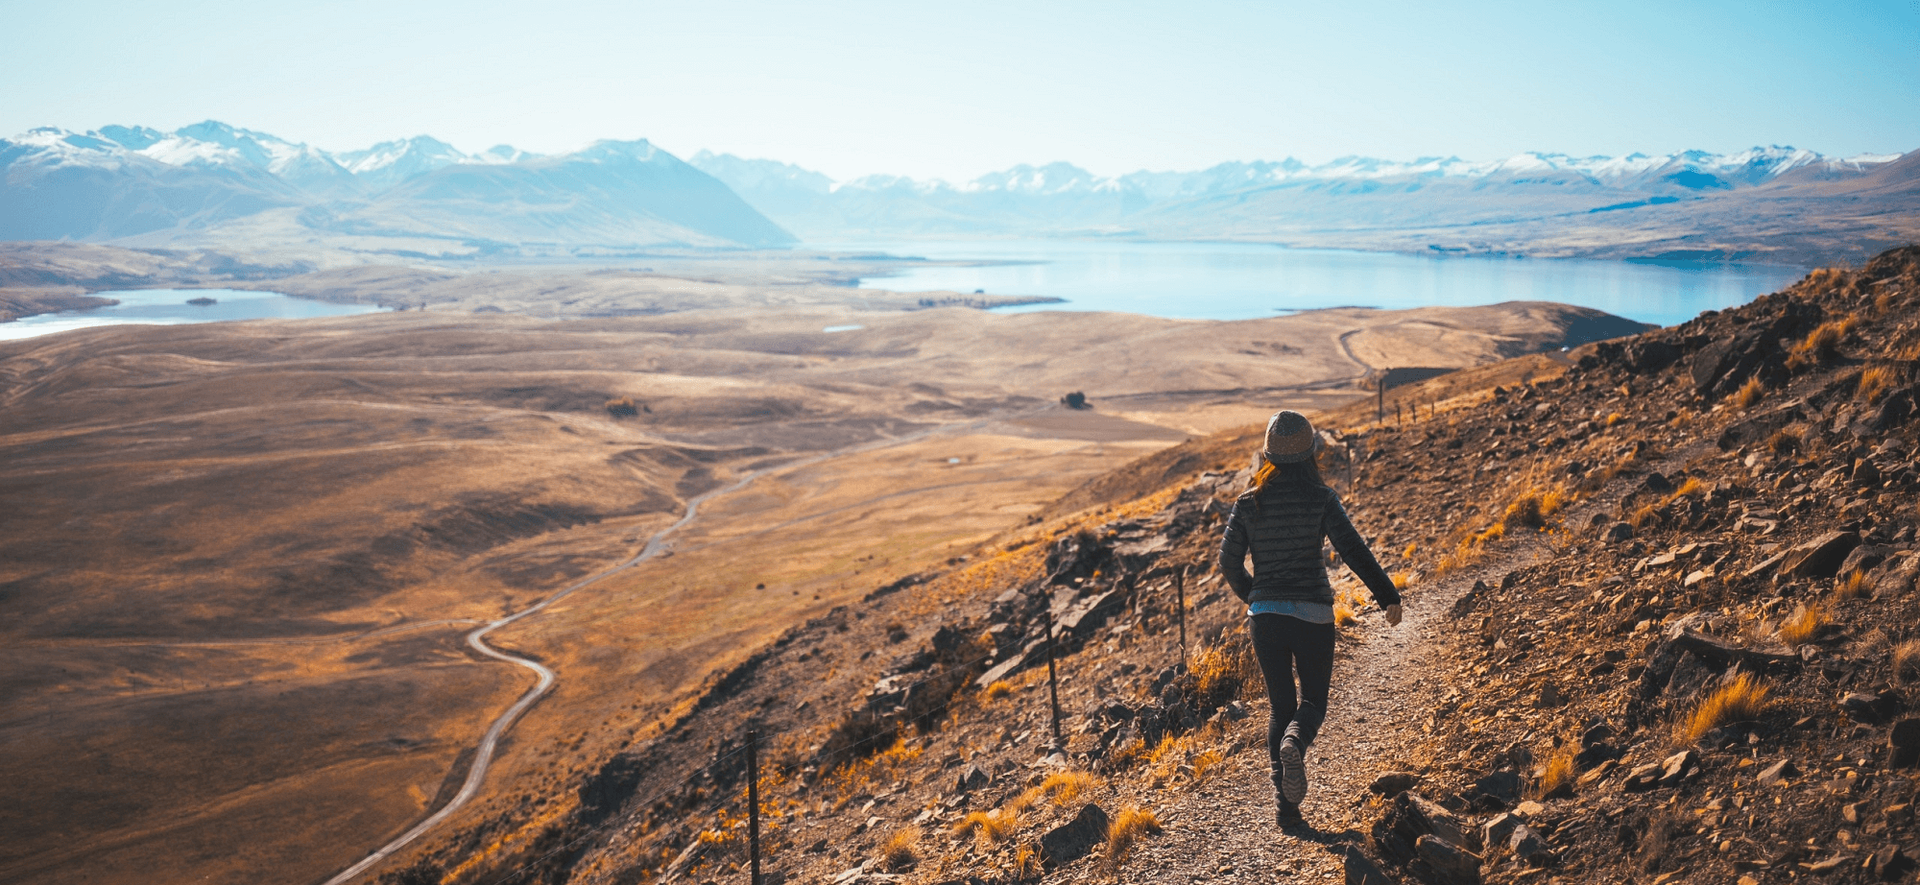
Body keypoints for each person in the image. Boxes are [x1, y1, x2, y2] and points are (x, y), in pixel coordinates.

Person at [1217, 410, 1403, 826]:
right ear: (1311, 454)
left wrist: (1258, 599)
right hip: (1314, 616)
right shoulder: (1323, 499)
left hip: (1265, 619)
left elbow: (1227, 563)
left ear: (1268, 455)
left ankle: (1286, 812)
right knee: (1312, 702)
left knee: (1280, 706)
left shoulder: (1247, 504)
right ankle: (1296, 745)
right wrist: (1386, 594)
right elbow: (1353, 550)